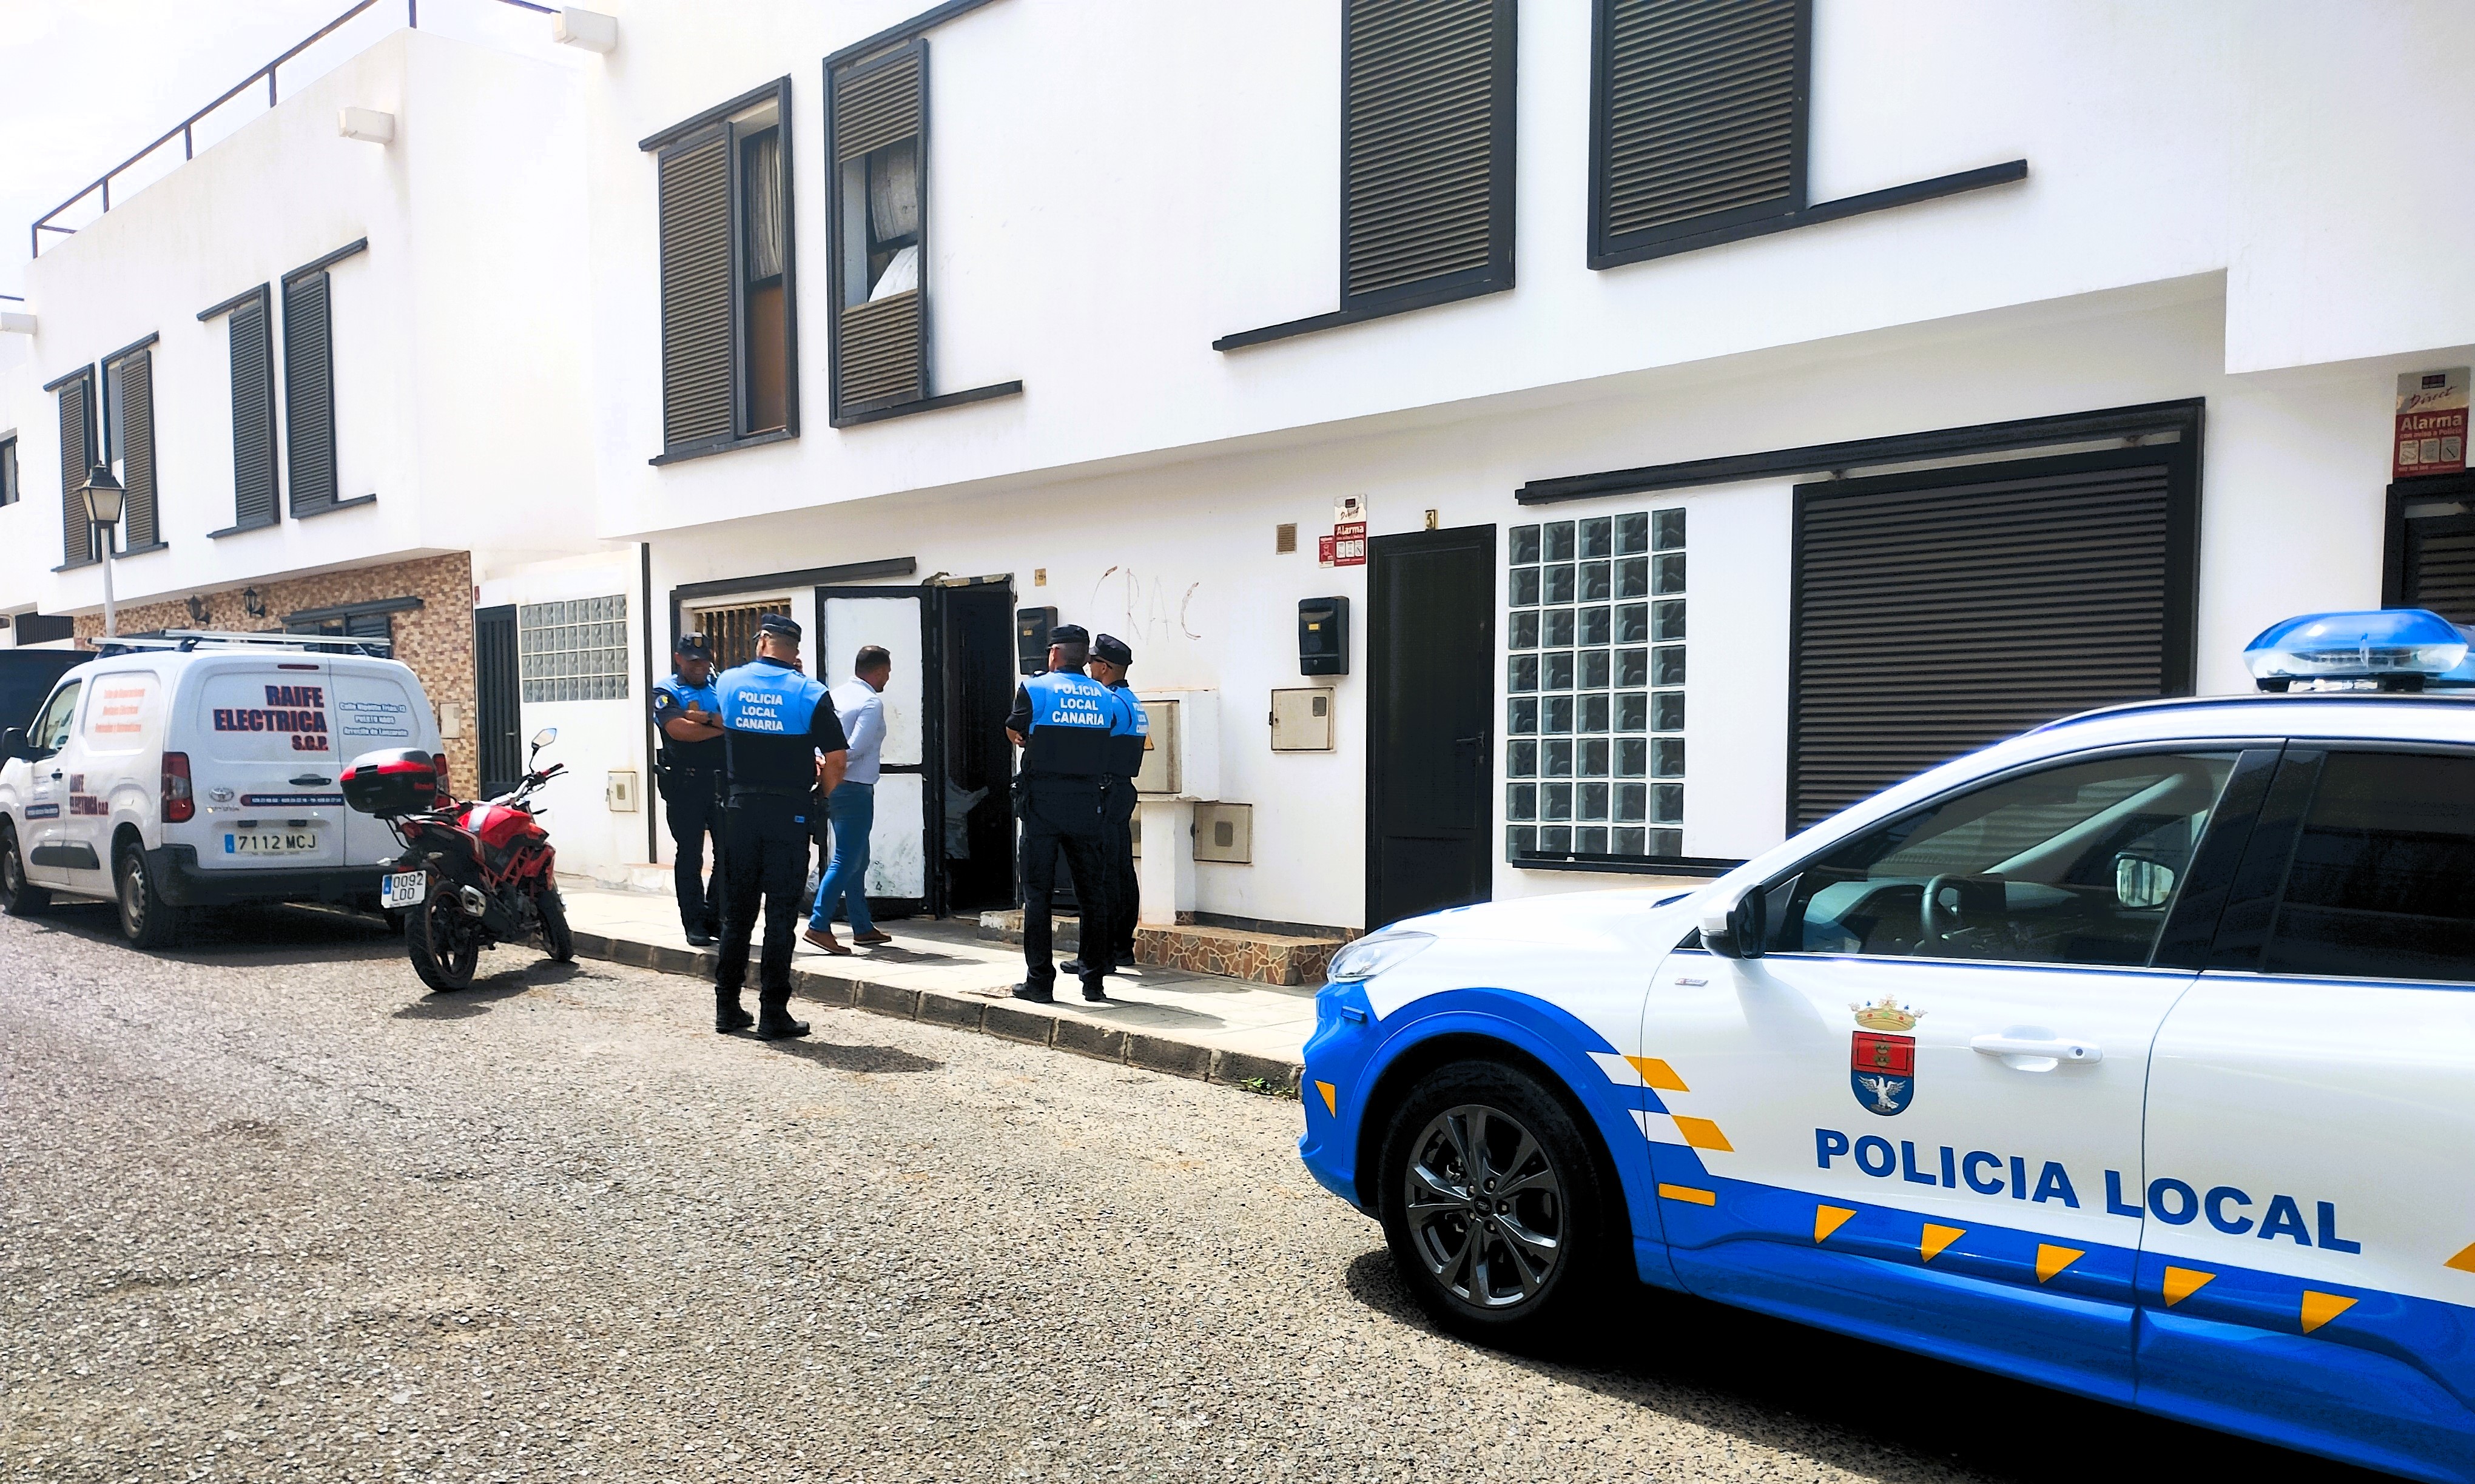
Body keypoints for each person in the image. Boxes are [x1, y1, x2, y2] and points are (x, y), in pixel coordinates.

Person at [712, 614, 849, 1039]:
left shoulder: (728, 682)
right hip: (788, 812)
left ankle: (728, 1007)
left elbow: (721, 726)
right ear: (795, 649)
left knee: (737, 916)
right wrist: (820, 792)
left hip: (738, 811)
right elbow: (838, 762)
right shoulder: (810, 692)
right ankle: (773, 1012)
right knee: (780, 917)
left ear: (763, 641)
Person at [1004, 623, 1115, 1003]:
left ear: (1053, 653)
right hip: (1088, 803)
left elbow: (1015, 729)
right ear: (1084, 657)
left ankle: (1040, 983)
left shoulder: (1035, 689)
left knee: (1038, 897)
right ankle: (1094, 982)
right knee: (1092, 895)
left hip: (1044, 804)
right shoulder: (1105, 696)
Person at [1064, 633, 1144, 979]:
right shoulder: (1131, 699)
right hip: (1122, 789)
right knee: (1122, 871)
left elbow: (1088, 743)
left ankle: (1102, 953)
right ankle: (1121, 948)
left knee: (1102, 874)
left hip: (1106, 791)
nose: (1088, 667)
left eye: (1092, 662)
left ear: (1105, 667)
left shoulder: (1108, 702)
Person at [805, 644, 894, 955]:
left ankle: (862, 926)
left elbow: (822, 738)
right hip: (854, 786)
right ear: (880, 670)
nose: (888, 679)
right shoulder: (871, 702)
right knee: (846, 858)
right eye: (888, 672)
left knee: (859, 858)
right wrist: (832, 760)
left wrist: (819, 760)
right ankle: (818, 924)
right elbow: (852, 749)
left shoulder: (836, 694)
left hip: (834, 782)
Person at [650, 633, 726, 945]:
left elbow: (738, 723)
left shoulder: (720, 687)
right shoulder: (666, 691)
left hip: (722, 784)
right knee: (691, 855)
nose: (699, 666)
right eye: (693, 661)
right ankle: (693, 922)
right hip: (686, 784)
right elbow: (678, 731)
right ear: (679, 659)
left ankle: (716, 917)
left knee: (728, 854)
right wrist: (718, 724)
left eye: (704, 660)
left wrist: (701, 717)